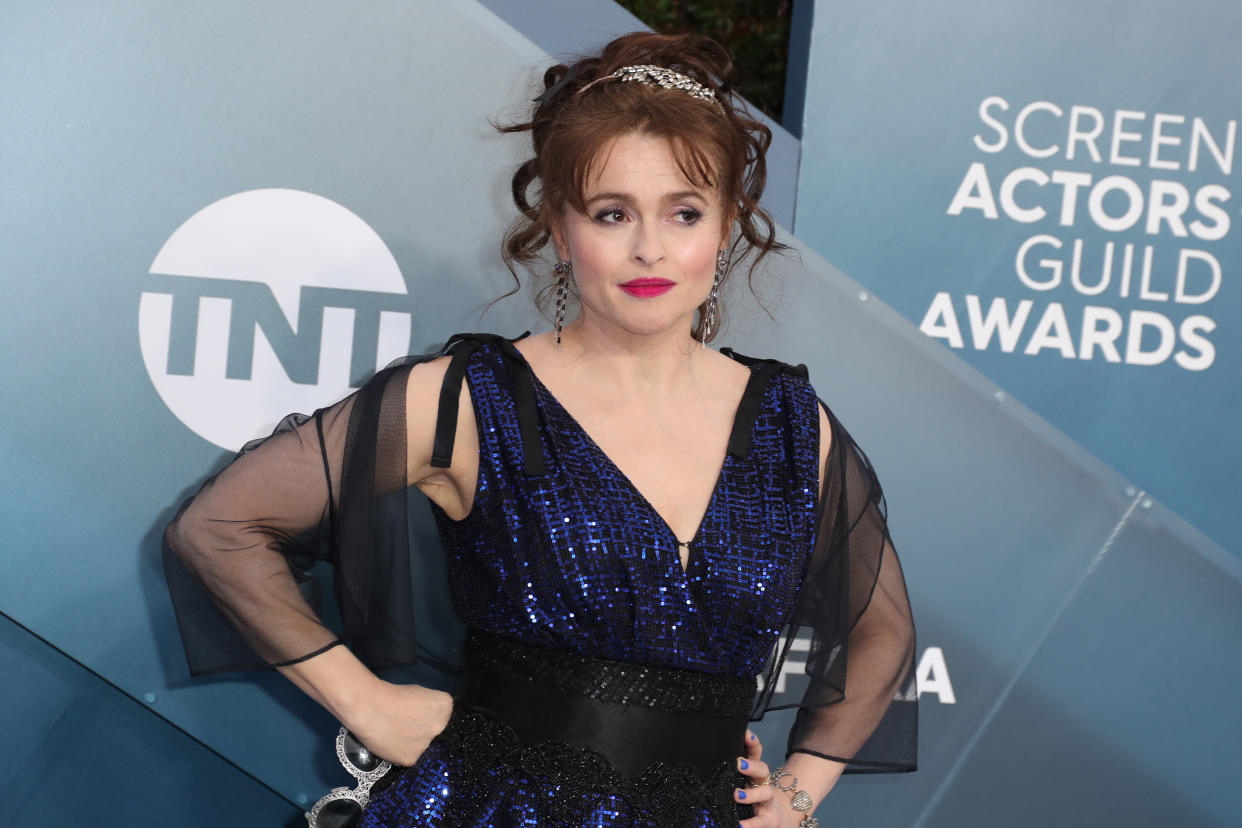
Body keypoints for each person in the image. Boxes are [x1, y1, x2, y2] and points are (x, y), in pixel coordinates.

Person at [162, 31, 917, 828]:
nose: (650, 249)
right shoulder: (465, 401)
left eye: (684, 213)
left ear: (726, 225)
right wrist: (365, 702)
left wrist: (799, 792)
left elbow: (883, 633)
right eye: (612, 213)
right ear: (560, 229)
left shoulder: (795, 428)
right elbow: (220, 529)